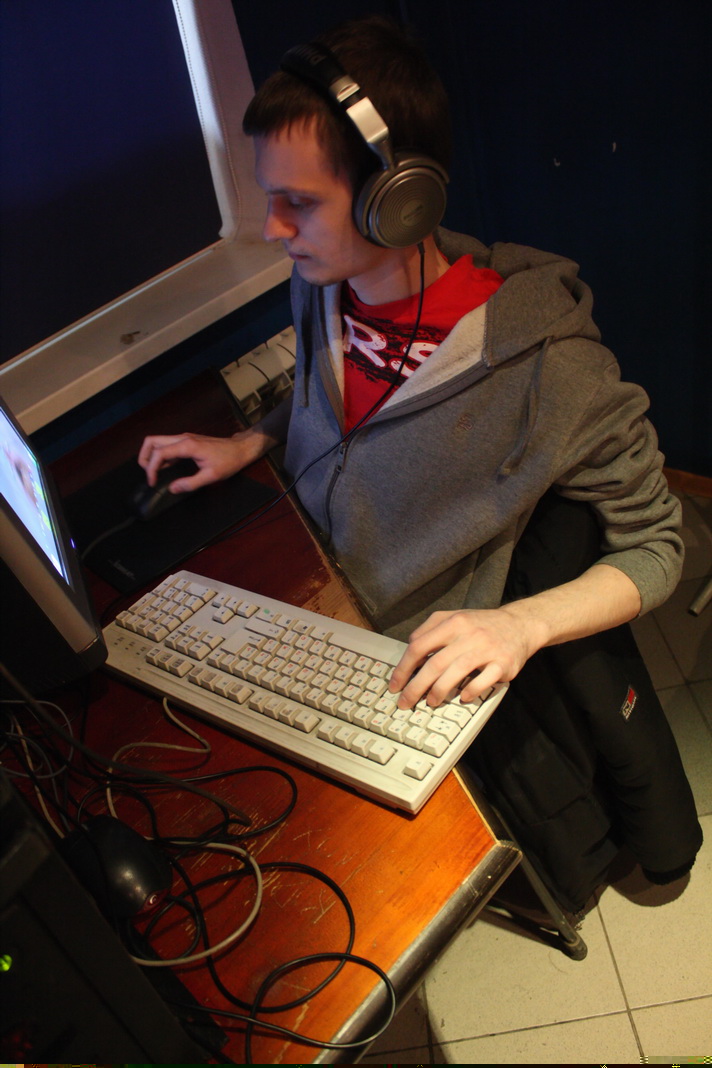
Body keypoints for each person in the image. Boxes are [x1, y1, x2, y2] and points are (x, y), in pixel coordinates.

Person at [139, 16, 701, 911]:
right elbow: (344, 406)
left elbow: (660, 547)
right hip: (306, 590)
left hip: (395, 665)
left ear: (397, 200)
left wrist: (519, 626)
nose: (273, 229)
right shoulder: (323, 283)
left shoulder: (552, 369)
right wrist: (254, 438)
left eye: (298, 202)